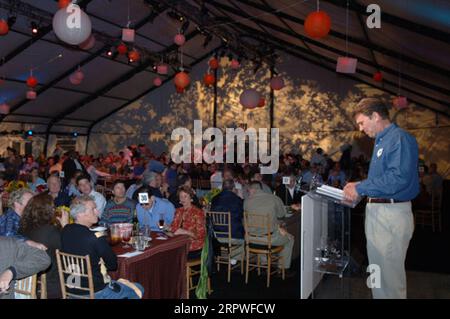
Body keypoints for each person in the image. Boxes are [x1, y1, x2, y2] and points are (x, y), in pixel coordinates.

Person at [343, 98, 419, 299]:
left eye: (361, 123)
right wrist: (359, 188)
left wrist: (361, 186)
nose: (360, 129)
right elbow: (381, 180)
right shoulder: (382, 140)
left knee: (390, 280)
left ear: (375, 116)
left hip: (391, 214)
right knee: (377, 272)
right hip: (379, 212)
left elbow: (397, 179)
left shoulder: (399, 138)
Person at [61, 195, 143, 299]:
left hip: (71, 291)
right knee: (138, 288)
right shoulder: (95, 237)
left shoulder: (65, 231)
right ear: (80, 214)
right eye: (93, 209)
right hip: (96, 293)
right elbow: (113, 265)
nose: (97, 212)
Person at [18, 193, 69, 299]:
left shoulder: (23, 227)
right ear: (48, 210)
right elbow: (69, 251)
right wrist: (66, 227)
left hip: (31, 280)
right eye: (53, 207)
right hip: (52, 285)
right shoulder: (50, 231)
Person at [244, 181, 294, 271]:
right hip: (269, 239)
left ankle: (264, 263)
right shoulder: (274, 198)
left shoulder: (247, 202)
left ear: (252, 189)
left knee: (261, 230)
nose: (248, 192)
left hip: (251, 239)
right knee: (290, 239)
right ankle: (283, 268)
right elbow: (281, 214)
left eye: (248, 191)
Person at [210, 179, 245, 258]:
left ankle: (225, 256)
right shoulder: (237, 200)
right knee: (244, 234)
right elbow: (242, 215)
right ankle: (235, 257)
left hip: (216, 235)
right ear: (233, 188)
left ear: (222, 188)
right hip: (233, 235)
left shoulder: (214, 199)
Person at [169, 186, 206, 259]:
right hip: (180, 245)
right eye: (181, 197)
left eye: (185, 196)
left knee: (171, 256)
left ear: (191, 198)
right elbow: (174, 230)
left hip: (194, 248)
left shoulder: (198, 213)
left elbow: (201, 235)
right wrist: (166, 229)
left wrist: (185, 232)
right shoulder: (178, 211)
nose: (182, 199)